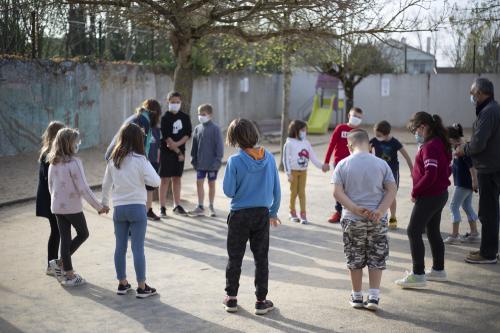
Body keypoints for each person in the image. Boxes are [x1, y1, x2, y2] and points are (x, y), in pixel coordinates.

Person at [332, 129, 397, 311]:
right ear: (370, 145)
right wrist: (380, 210)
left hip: (353, 218)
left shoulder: (342, 164)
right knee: (377, 256)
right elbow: (392, 189)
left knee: (355, 256)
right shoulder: (382, 164)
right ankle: (374, 296)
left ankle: (357, 296)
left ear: (349, 146)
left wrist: (354, 208)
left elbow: (337, 192)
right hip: (378, 219)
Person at [222, 118, 281, 315]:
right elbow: (277, 190)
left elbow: (229, 191)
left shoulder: (235, 161)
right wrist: (273, 212)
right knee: (261, 258)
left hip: (239, 215)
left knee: (235, 257)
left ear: (234, 139)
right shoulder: (270, 157)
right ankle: (261, 301)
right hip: (262, 215)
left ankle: (231, 298)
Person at [102, 123, 161, 298]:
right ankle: (142, 287)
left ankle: (122, 283)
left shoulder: (113, 160)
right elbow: (156, 181)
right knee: (137, 248)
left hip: (119, 209)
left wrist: (104, 203)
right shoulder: (140, 160)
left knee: (119, 247)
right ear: (138, 140)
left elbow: (105, 185)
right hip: (137, 208)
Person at [395, 112, 452, 288]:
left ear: (422, 126)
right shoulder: (438, 142)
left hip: (430, 196)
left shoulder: (430, 146)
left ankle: (418, 274)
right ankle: (438, 270)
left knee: (413, 231)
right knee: (433, 231)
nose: (415, 134)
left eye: (415, 130)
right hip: (439, 194)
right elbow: (447, 167)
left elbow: (431, 174)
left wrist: (415, 191)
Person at [47, 128, 108, 287]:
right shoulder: (74, 163)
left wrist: (56, 201)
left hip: (57, 207)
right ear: (69, 144)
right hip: (72, 208)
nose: (78, 144)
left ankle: (67, 272)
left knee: (65, 240)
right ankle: (64, 268)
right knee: (83, 233)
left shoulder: (53, 162)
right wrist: (98, 206)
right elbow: (84, 188)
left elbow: (50, 186)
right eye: (76, 142)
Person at [456, 77, 500, 264]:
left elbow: (479, 143)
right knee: (491, 212)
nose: (472, 97)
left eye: (473, 94)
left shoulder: (489, 112)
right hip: (492, 166)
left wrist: (463, 149)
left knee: (488, 213)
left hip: (490, 169)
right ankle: (487, 250)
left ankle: (488, 254)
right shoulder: (491, 109)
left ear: (481, 93)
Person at [104, 99, 162, 221]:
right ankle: (132, 218)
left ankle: (131, 215)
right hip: (121, 156)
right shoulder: (143, 122)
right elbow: (141, 145)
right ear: (156, 113)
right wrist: (144, 162)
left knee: (124, 186)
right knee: (129, 187)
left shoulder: (139, 117)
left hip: (117, 154)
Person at [369, 120, 413, 229]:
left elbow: (406, 156)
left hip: (392, 171)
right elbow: (367, 154)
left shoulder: (395, 142)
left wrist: (412, 170)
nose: (376, 137)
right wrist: (369, 151)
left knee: (391, 195)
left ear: (386, 134)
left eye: (379, 135)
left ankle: (393, 217)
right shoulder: (374, 141)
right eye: (375, 134)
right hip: (378, 171)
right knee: (378, 194)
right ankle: (379, 216)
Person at [283, 120, 328, 224]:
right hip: (293, 172)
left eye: (305, 130)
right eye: (303, 130)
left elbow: (313, 157)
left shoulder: (306, 143)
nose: (305, 132)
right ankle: (292, 212)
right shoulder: (289, 143)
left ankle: (303, 214)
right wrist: (288, 173)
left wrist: (322, 166)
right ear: (296, 130)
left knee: (302, 193)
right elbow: (285, 160)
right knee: (294, 192)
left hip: (303, 172)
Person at [324, 107, 363, 223]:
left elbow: (363, 148)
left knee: (351, 189)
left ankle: (351, 211)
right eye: (355, 116)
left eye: (359, 117)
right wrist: (326, 162)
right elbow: (331, 144)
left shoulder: (359, 132)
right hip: (339, 163)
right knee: (338, 188)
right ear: (349, 115)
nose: (357, 119)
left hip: (354, 164)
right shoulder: (340, 128)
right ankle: (338, 211)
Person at [36, 121, 65, 277]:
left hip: (48, 199)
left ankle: (52, 264)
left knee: (56, 231)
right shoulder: (50, 154)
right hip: (50, 200)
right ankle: (51, 264)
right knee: (56, 232)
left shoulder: (47, 151)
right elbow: (50, 180)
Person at [445, 123, 480, 244]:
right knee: (466, 206)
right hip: (464, 183)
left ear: (451, 139)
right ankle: (474, 233)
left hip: (464, 184)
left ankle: (454, 235)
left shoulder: (462, 149)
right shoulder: (458, 147)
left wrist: (474, 181)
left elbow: (472, 167)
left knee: (453, 206)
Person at [159, 91, 192, 218]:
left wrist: (178, 146)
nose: (175, 104)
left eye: (177, 102)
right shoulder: (164, 118)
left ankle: (176, 205)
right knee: (165, 179)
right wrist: (177, 150)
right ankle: (162, 207)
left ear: (181, 102)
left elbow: (187, 134)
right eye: (173, 102)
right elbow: (167, 138)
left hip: (180, 152)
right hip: (167, 153)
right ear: (168, 102)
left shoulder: (185, 117)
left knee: (177, 178)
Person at [189, 104, 224, 217]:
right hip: (200, 164)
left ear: (210, 115)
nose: (201, 116)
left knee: (211, 184)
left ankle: (211, 206)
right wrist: (193, 159)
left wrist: (217, 162)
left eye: (203, 114)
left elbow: (220, 147)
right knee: (199, 183)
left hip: (212, 164)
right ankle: (200, 206)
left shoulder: (216, 129)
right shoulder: (197, 128)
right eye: (199, 114)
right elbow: (194, 146)